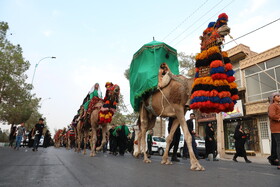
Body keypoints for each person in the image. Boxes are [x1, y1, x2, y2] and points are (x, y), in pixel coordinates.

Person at [268, 92, 280, 170]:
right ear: (273, 98)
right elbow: (272, 115)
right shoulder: (272, 106)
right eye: (277, 96)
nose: (279, 97)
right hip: (276, 129)